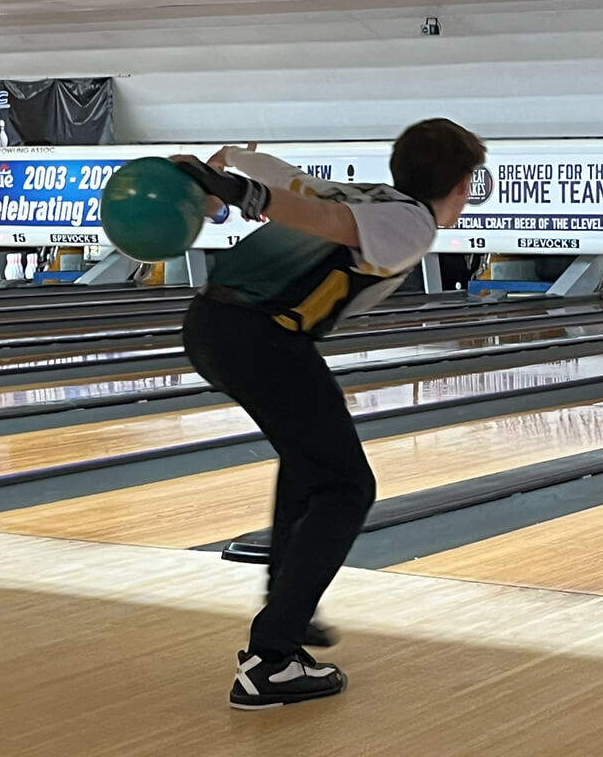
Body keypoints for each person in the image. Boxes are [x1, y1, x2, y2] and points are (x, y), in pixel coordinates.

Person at [170, 119, 486, 711]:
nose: (469, 197)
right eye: (469, 184)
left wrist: (237, 159)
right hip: (259, 335)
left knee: (310, 462)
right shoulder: (410, 222)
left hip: (215, 324)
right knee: (348, 487)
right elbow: (326, 220)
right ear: (456, 182)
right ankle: (274, 659)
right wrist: (240, 192)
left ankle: (289, 608)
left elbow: (298, 185)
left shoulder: (374, 196)